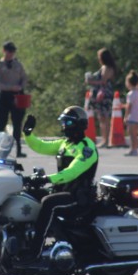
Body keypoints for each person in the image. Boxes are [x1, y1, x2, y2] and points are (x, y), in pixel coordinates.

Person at [22, 106, 99, 255]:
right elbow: (41, 146)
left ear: (79, 124)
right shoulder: (65, 143)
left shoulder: (86, 148)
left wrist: (46, 178)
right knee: (28, 194)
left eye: (68, 123)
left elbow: (72, 172)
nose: (64, 126)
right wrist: (28, 134)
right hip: (63, 190)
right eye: (63, 123)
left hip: (78, 196)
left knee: (48, 203)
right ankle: (23, 239)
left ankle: (35, 250)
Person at [0, 41, 28, 157]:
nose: (11, 54)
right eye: (9, 51)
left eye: (12, 52)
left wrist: (20, 87)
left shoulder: (18, 65)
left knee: (17, 123)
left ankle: (18, 149)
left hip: (17, 96)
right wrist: (9, 87)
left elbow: (24, 78)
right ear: (4, 51)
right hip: (4, 96)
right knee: (1, 123)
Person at [86, 48, 117, 144]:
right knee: (103, 117)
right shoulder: (110, 67)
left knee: (103, 117)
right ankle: (105, 139)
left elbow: (103, 81)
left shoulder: (105, 68)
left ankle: (105, 139)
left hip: (102, 94)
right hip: (105, 93)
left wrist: (90, 82)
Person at [124, 70, 138, 156]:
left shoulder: (130, 94)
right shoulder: (137, 93)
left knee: (132, 134)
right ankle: (135, 148)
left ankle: (133, 149)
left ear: (129, 83)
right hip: (137, 116)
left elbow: (129, 106)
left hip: (132, 117)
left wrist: (125, 116)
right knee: (134, 133)